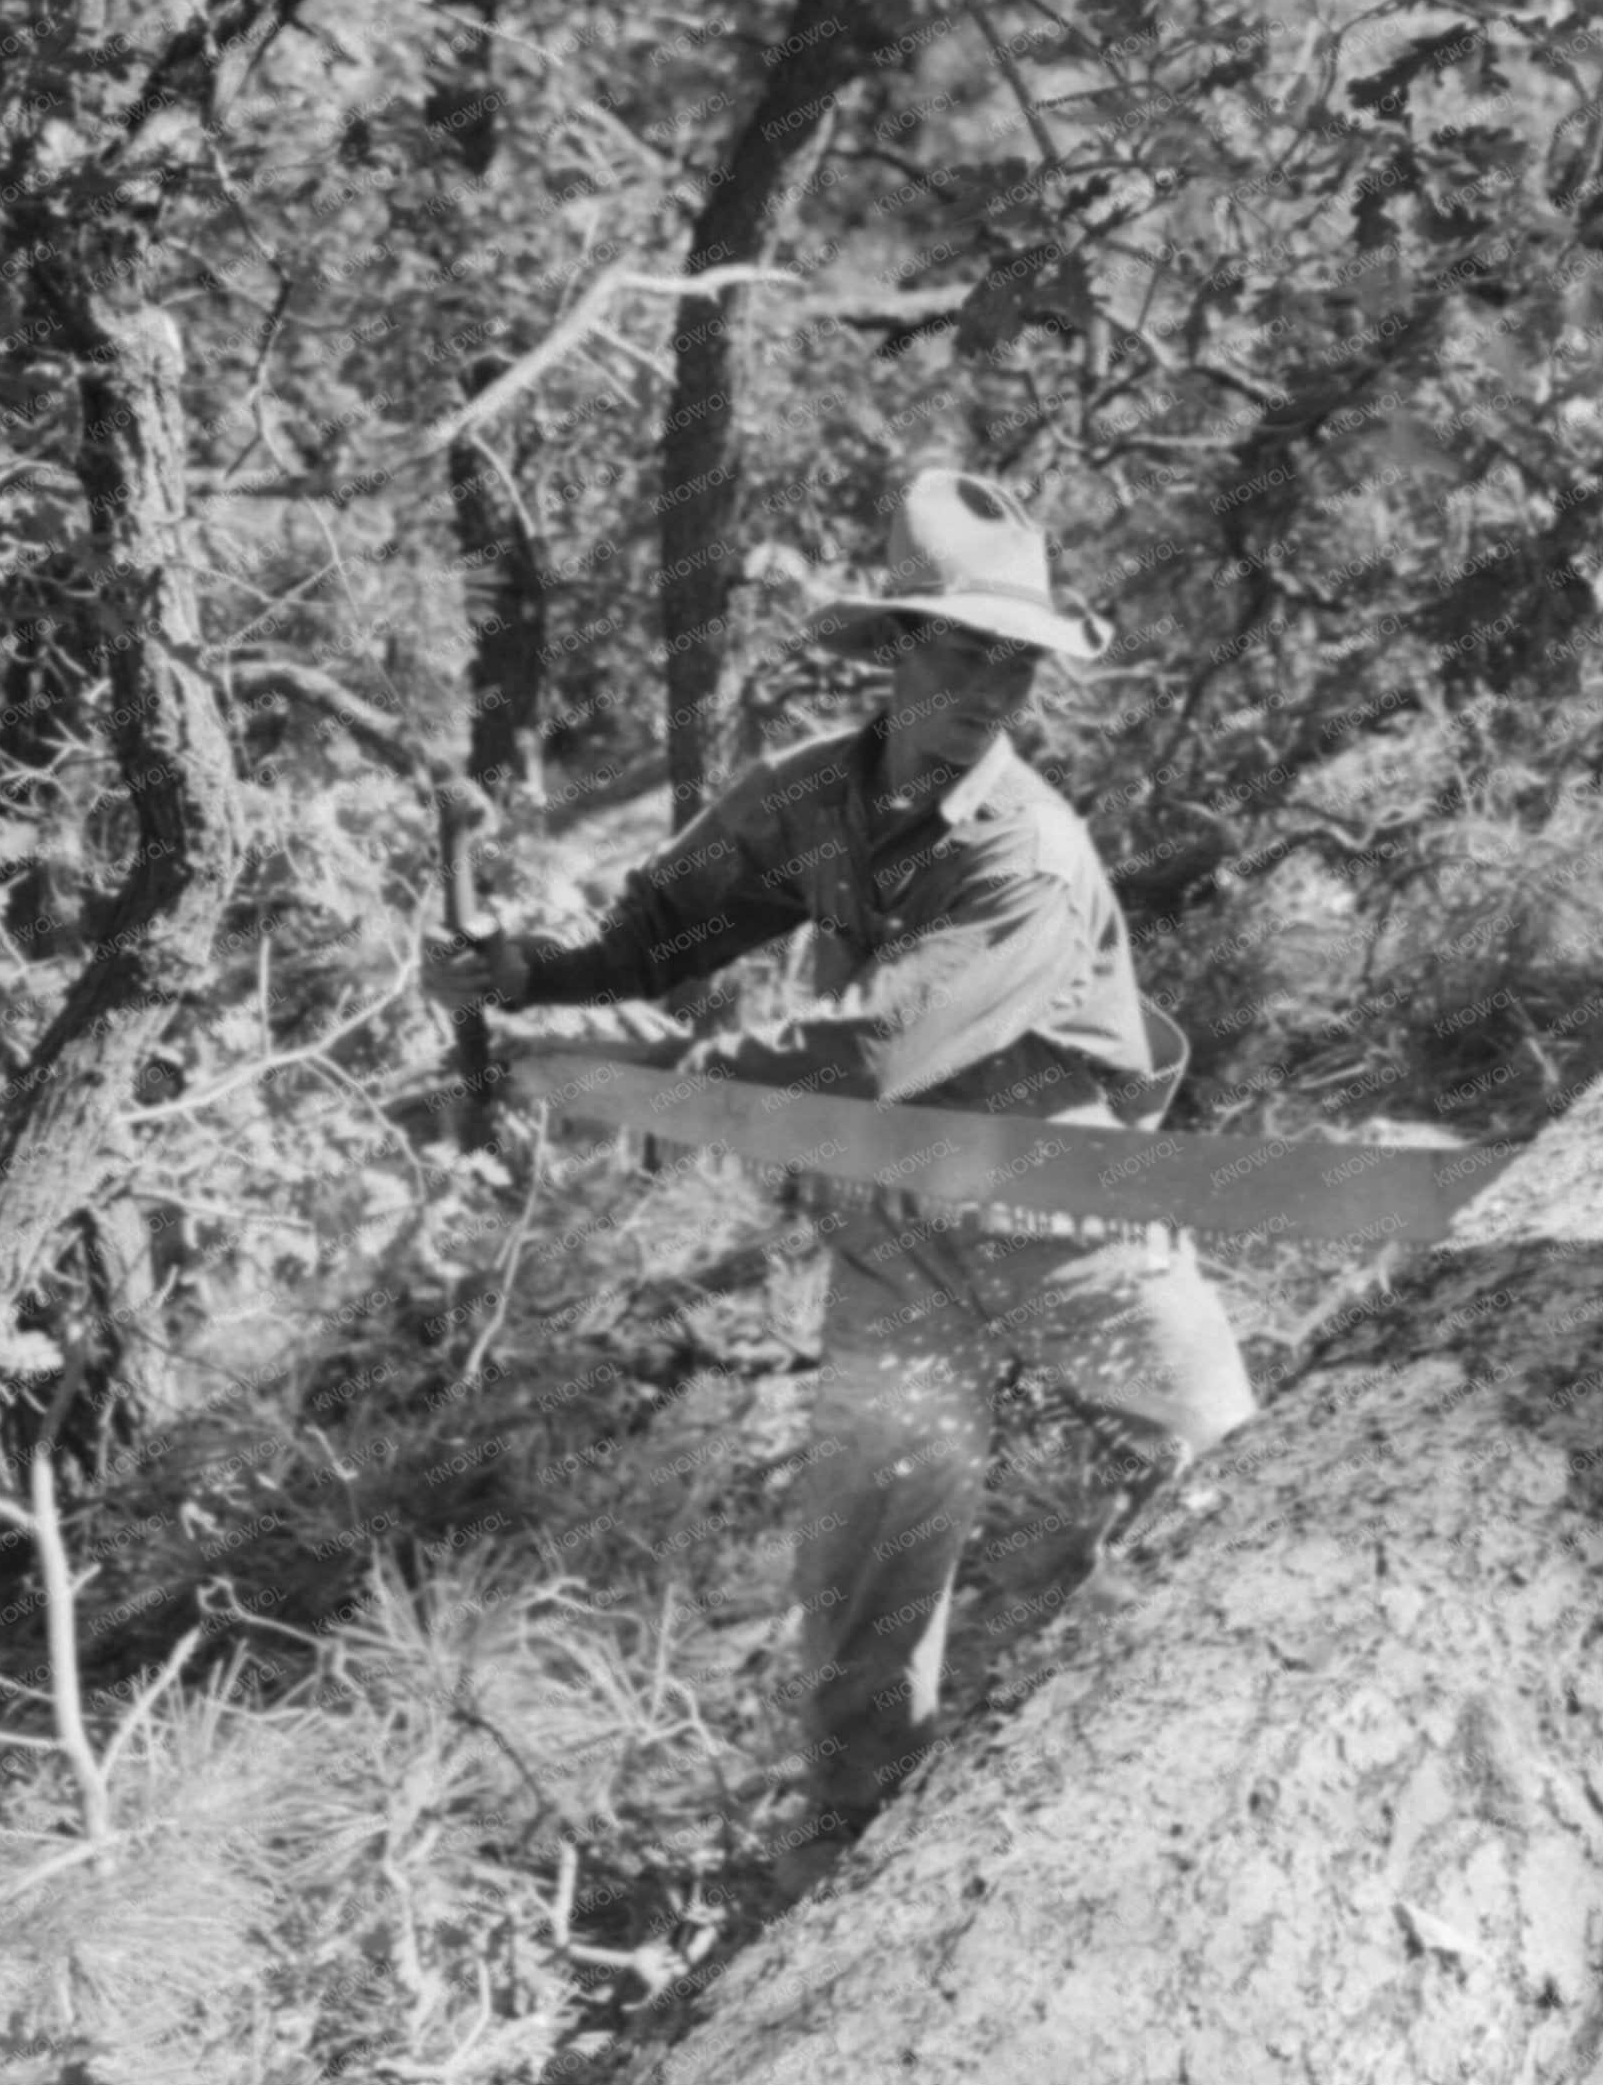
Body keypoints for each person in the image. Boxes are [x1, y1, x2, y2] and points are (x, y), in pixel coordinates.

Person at [422, 468, 1253, 1889]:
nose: (990, 688)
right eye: (964, 651)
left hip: (1067, 1219)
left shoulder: (1031, 854)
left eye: (1015, 664)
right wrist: (525, 973)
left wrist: (676, 1074)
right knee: (870, 1554)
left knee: (1224, 1481)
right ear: (899, 648)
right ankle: (846, 1863)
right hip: (892, 1228)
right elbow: (659, 930)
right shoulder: (815, 793)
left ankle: (1217, 1810)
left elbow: (875, 1049)